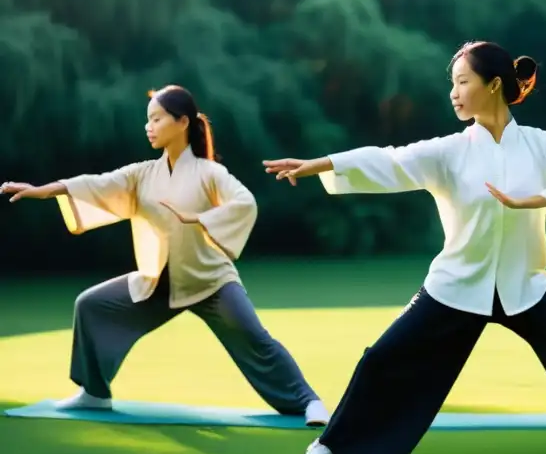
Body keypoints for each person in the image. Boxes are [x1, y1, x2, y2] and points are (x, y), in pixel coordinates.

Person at [264, 41, 546, 454]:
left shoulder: (541, 144)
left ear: (494, 85)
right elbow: (390, 161)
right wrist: (321, 164)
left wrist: (532, 201)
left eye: (463, 82)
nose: (454, 93)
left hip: (525, 284)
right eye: (453, 84)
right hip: (456, 286)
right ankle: (328, 444)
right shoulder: (450, 151)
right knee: (383, 358)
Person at [0, 85, 329, 426]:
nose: (149, 126)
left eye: (157, 119)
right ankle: (95, 393)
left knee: (256, 340)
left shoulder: (209, 172)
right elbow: (96, 183)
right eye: (148, 120)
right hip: (156, 282)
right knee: (90, 305)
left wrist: (201, 218)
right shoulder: (142, 173)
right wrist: (43, 191)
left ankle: (309, 402)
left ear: (182, 122)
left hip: (212, 282)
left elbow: (243, 202)